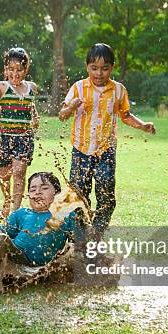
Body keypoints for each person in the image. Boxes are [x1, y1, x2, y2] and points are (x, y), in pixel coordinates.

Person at [58, 43, 156, 241]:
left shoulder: (119, 90)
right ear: (87, 67)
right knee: (78, 197)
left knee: (107, 198)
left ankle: (95, 236)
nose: (99, 73)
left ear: (112, 68)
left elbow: (125, 115)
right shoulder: (78, 88)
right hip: (81, 151)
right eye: (94, 68)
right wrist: (70, 108)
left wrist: (142, 125)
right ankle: (79, 238)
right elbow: (61, 115)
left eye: (104, 68)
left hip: (106, 153)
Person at [0, 47, 40, 218]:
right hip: (4, 138)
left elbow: (30, 106)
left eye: (19, 70)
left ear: (26, 70)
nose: (15, 73)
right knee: (4, 175)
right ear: (5, 70)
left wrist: (35, 117)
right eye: (11, 69)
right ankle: (7, 200)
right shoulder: (1, 87)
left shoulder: (31, 88)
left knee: (19, 172)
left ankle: (15, 210)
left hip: (24, 137)